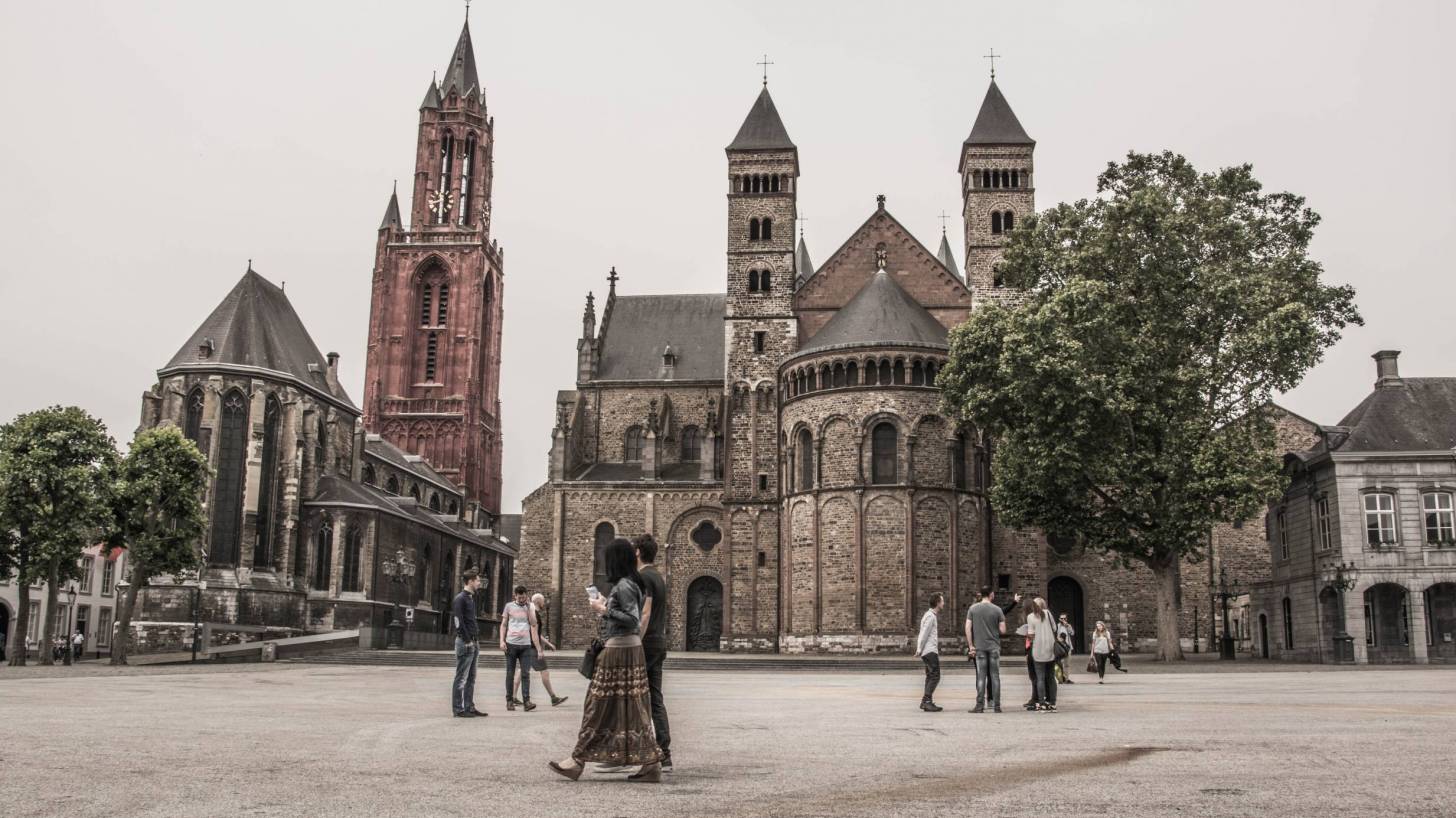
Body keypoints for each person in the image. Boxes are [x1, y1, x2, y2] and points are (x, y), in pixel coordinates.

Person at [548, 538, 662, 783]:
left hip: (619, 651)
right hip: (629, 650)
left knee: (596, 704)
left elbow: (631, 619)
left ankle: (577, 761)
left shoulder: (624, 585)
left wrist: (603, 610)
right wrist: (605, 602)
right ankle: (651, 763)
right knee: (634, 708)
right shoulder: (633, 583)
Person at [634, 534, 672, 772]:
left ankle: (642, 752)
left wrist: (637, 640)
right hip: (659, 641)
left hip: (646, 643)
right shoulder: (658, 577)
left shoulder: (643, 577)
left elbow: (645, 613)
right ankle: (664, 752)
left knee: (636, 697)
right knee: (655, 698)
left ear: (638, 552)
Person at [965, 587, 1021, 713]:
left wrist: (970, 646)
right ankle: (996, 706)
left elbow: (967, 628)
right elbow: (1003, 630)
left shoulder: (973, 609)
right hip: (994, 648)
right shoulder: (997, 610)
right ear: (991, 595)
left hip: (979, 648)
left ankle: (979, 706)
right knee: (995, 676)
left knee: (981, 677)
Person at [512, 594, 567, 707]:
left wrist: (548, 644)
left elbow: (536, 633)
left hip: (525, 647)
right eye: (543, 601)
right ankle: (553, 698)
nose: (544, 603)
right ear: (538, 601)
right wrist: (539, 650)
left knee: (520, 672)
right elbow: (534, 635)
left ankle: (513, 697)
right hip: (531, 648)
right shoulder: (534, 614)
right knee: (544, 671)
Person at [500, 584, 543, 712]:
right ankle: (509, 701)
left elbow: (534, 623)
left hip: (525, 645)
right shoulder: (509, 606)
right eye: (519, 598)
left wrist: (529, 608)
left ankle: (527, 701)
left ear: (526, 596)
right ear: (515, 596)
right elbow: (503, 625)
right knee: (510, 674)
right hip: (511, 645)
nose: (521, 600)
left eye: (523, 598)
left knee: (526, 673)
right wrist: (501, 641)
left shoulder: (530, 607)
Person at [451, 569, 487, 718]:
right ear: (470, 581)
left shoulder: (471, 598)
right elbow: (458, 621)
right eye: (478, 580)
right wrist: (467, 641)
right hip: (466, 643)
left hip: (474, 641)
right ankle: (458, 709)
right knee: (461, 677)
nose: (479, 583)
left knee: (471, 678)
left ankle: (469, 707)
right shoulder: (460, 598)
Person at [914, 593, 945, 712]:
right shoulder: (930, 616)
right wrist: (919, 649)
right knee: (935, 676)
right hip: (929, 651)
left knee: (930, 676)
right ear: (937, 603)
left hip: (928, 650)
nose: (943, 603)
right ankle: (927, 701)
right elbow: (924, 633)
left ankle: (925, 701)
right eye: (942, 601)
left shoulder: (930, 615)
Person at [1027, 597, 1059, 712]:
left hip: (1038, 650)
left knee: (1040, 678)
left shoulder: (1030, 617)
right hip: (1050, 649)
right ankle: (1053, 703)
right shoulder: (1048, 614)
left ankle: (1041, 703)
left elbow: (1031, 635)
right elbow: (1055, 628)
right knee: (1051, 677)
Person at [1055, 614, 1076, 684]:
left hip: (1067, 647)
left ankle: (1066, 679)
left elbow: (1072, 633)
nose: (1063, 620)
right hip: (1060, 647)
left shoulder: (1068, 626)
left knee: (1067, 664)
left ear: (1066, 619)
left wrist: (1067, 626)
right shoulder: (1057, 626)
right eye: (1061, 618)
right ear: (1059, 619)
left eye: (1064, 618)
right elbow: (1055, 634)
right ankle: (1060, 678)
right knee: (1059, 664)